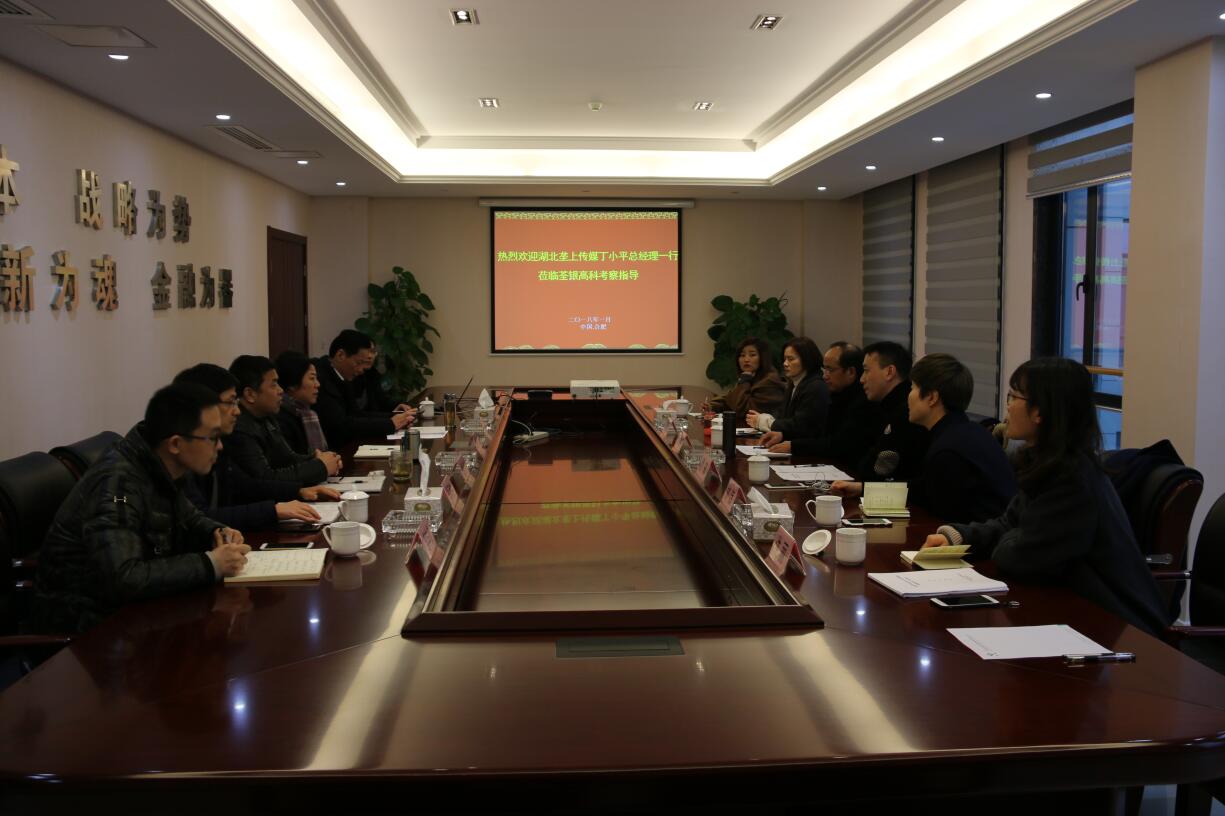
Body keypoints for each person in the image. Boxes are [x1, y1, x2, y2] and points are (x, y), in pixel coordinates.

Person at [921, 357, 1171, 637]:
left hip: (1115, 629)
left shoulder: (1071, 479)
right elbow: (1010, 524)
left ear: (1039, 411)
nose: (1008, 406)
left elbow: (1018, 557)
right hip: (1072, 613)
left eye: (1014, 397)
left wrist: (1009, 539)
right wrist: (958, 536)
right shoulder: (1045, 463)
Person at [34, 383, 251, 634]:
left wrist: (217, 531)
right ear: (175, 444)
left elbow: (190, 517)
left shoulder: (158, 465)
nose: (220, 446)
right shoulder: (117, 484)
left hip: (135, 617)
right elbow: (124, 578)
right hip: (87, 631)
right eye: (212, 437)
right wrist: (211, 563)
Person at [829, 353, 1015, 523]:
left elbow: (945, 517)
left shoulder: (948, 450)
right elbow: (922, 488)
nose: (908, 397)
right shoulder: (967, 431)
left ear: (932, 398)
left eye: (913, 388)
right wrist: (864, 489)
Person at [174, 363, 341, 529]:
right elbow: (199, 518)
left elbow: (243, 484)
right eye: (231, 402)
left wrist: (298, 491)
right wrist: (273, 510)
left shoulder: (265, 420)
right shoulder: (183, 457)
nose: (237, 411)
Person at [761, 341, 885, 467]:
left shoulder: (864, 401)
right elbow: (818, 432)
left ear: (850, 372)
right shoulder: (836, 393)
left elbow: (839, 444)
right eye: (824, 369)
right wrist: (783, 435)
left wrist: (794, 445)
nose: (825, 376)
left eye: (830, 369)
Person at [227, 355, 340, 487]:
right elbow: (265, 478)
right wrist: (320, 467)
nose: (280, 390)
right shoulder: (239, 429)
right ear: (250, 394)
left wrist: (317, 458)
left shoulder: (267, 418)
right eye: (274, 384)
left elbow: (287, 458)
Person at [840, 341, 929, 483]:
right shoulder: (883, 405)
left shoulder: (906, 413)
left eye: (866, 370)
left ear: (889, 372)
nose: (862, 379)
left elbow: (875, 471)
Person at [314, 330, 416, 446]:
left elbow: (356, 414)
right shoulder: (320, 379)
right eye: (359, 363)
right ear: (341, 355)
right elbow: (340, 425)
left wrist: (394, 417)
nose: (361, 370)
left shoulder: (343, 375)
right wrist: (389, 424)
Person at [744, 336, 830, 438]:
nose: (785, 364)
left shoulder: (815, 387)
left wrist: (766, 422)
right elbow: (783, 416)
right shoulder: (793, 383)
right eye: (785, 359)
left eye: (791, 359)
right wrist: (762, 418)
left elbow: (801, 425)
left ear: (806, 360)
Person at [706, 338, 787, 426]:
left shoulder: (769, 381)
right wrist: (712, 406)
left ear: (763, 358)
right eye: (742, 355)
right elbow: (731, 398)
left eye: (752, 355)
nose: (746, 359)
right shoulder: (751, 376)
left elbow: (742, 410)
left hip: (765, 432)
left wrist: (744, 381)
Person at [274, 350, 330, 456]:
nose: (317, 384)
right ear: (293, 384)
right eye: (312, 378)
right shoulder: (280, 420)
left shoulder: (310, 413)